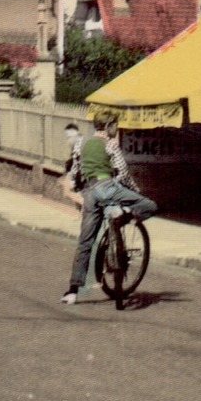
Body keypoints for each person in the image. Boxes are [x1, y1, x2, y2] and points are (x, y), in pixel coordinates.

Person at [62, 115, 157, 304]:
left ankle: (72, 291)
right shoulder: (111, 144)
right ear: (107, 126)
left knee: (85, 242)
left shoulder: (81, 143)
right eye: (115, 125)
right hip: (108, 187)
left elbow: (75, 170)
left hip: (89, 193)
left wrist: (75, 189)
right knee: (150, 206)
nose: (116, 129)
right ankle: (123, 215)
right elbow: (123, 174)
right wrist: (136, 192)